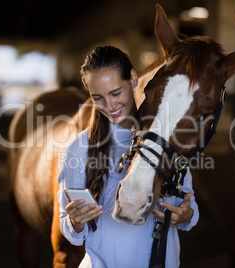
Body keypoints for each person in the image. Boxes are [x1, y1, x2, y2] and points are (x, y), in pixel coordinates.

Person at [57, 45, 199, 268]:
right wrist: (75, 221)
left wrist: (186, 215)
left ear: (133, 78)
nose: (110, 105)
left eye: (115, 93)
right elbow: (69, 230)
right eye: (98, 98)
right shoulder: (78, 148)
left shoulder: (167, 139)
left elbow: (188, 204)